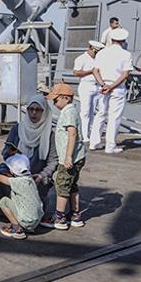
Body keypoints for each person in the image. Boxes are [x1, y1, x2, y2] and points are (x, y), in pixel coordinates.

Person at [0, 94, 56, 219]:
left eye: (38, 110)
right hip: (14, 171)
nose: (34, 113)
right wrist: (11, 154)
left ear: (44, 112)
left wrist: (41, 176)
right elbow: (5, 152)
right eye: (31, 109)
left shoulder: (49, 134)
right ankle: (1, 213)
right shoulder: (17, 129)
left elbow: (53, 162)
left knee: (33, 207)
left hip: (35, 175)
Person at [47, 82, 86, 230]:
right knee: (72, 185)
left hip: (69, 159)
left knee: (62, 185)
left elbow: (72, 133)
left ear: (66, 98)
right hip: (78, 157)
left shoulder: (69, 112)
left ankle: (60, 216)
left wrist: (68, 157)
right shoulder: (70, 111)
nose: (54, 102)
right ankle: (75, 214)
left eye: (56, 99)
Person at [90, 28, 133, 153]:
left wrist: (103, 85)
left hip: (102, 87)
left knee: (100, 114)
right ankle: (110, 146)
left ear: (112, 39)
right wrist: (112, 86)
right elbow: (125, 74)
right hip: (117, 88)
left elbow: (95, 71)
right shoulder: (126, 54)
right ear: (123, 41)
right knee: (115, 117)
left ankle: (94, 143)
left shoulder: (102, 53)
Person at [0, 154, 43, 240]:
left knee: (4, 201)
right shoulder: (29, 179)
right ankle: (27, 227)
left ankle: (17, 229)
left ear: (13, 170)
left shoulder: (17, 182)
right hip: (36, 220)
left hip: (27, 220)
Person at [73, 40, 105, 146]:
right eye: (96, 52)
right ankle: (84, 135)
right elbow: (76, 72)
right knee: (85, 112)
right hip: (86, 85)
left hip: (97, 86)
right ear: (91, 48)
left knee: (93, 112)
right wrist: (90, 71)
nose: (96, 54)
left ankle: (91, 133)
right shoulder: (81, 58)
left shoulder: (99, 59)